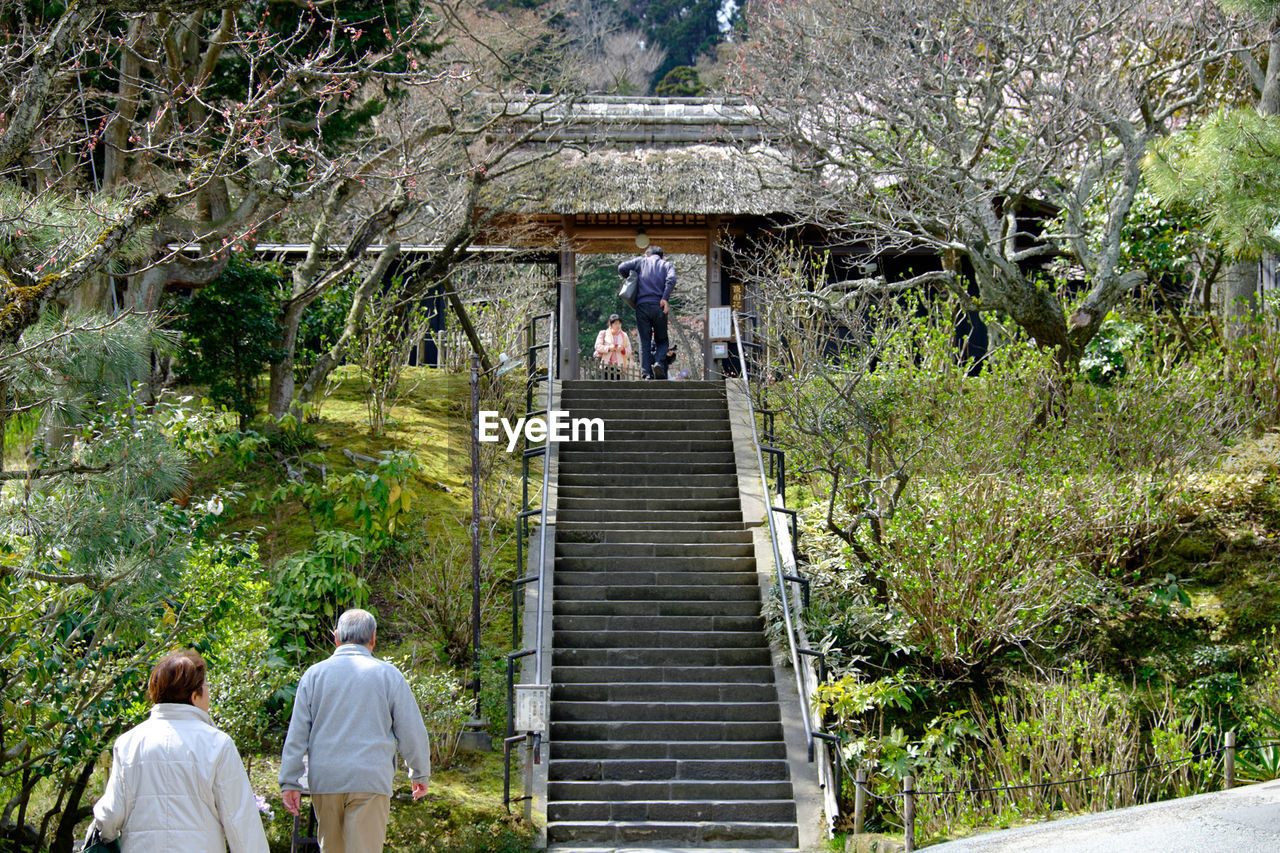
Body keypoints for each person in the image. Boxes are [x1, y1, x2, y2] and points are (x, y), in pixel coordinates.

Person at [279, 609, 430, 853]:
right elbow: (411, 730)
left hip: (326, 780)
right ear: (373, 638)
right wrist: (419, 773)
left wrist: (290, 781)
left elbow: (297, 733)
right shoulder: (388, 675)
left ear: (336, 637)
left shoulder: (314, 675)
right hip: (370, 779)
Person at [90, 649, 269, 853]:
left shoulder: (128, 743)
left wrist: (105, 837)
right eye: (207, 687)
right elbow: (242, 823)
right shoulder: (218, 744)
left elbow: (109, 815)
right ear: (195, 696)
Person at [618, 245, 676, 379]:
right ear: (661, 256)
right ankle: (659, 363)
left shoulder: (640, 261)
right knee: (662, 340)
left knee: (644, 340)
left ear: (647, 254)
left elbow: (621, 267)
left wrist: (632, 277)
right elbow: (672, 279)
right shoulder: (666, 264)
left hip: (641, 305)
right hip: (659, 305)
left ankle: (646, 374)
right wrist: (665, 297)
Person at [593, 313, 632, 380]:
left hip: (619, 365)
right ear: (611, 324)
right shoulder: (603, 333)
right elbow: (597, 346)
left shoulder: (624, 335)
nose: (618, 325)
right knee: (606, 384)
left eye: (619, 323)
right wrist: (608, 348)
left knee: (618, 385)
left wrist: (622, 349)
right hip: (606, 364)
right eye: (616, 323)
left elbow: (629, 351)